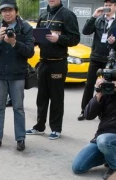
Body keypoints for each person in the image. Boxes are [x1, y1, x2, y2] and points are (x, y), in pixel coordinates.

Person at [25, 0, 80, 140]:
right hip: (43, 62)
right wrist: (32, 39)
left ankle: (56, 129)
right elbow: (37, 38)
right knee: (41, 97)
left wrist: (59, 38)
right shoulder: (43, 14)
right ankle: (39, 126)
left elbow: (75, 38)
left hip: (58, 63)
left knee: (56, 97)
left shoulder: (67, 15)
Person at [0, 0, 34, 152]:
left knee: (18, 108)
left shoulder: (25, 27)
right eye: (4, 10)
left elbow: (30, 52)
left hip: (17, 74)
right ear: (1, 13)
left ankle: (20, 138)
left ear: (16, 11)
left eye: (10, 10)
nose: (7, 13)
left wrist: (14, 43)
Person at [78, 0, 116, 121]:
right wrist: (94, 15)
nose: (107, 7)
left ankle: (104, 112)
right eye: (105, 5)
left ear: (115, 7)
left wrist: (115, 42)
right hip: (96, 57)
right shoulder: (98, 20)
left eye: (110, 5)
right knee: (90, 85)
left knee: (108, 86)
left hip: (110, 59)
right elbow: (85, 31)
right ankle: (85, 110)